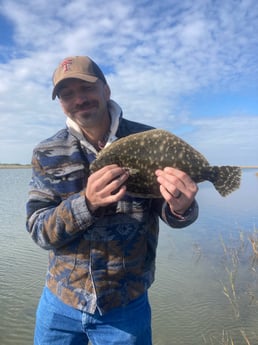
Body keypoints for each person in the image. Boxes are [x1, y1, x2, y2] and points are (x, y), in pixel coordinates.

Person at [26, 55, 199, 345]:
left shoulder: (149, 139)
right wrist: (87, 203)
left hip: (126, 307)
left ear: (106, 90)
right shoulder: (47, 151)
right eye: (68, 94)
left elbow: (168, 210)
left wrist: (182, 207)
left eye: (87, 89)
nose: (79, 99)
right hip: (59, 303)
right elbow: (38, 229)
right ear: (60, 103)